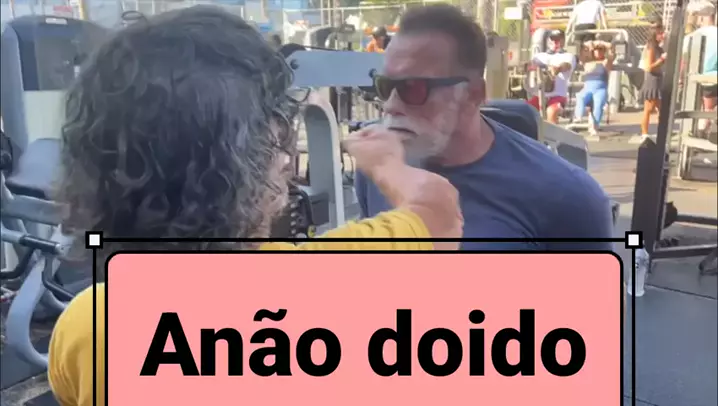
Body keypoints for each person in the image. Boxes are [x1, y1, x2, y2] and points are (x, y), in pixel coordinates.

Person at [47, 7, 463, 406]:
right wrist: (387, 163)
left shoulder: (86, 328)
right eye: (276, 133)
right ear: (252, 158)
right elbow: (438, 214)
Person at [355, 4, 614, 251]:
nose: (390, 106)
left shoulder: (567, 196)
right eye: (384, 86)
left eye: (412, 88)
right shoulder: (376, 169)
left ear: (474, 93)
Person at [528, 29, 577, 124]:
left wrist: (558, 68)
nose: (555, 42)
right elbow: (530, 65)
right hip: (540, 95)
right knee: (526, 109)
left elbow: (567, 65)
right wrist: (530, 66)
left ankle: (553, 132)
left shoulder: (568, 56)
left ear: (563, 41)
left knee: (551, 111)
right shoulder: (540, 56)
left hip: (558, 96)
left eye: (558, 39)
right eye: (553, 39)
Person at [574, 40, 616, 135]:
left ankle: (595, 125)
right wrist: (590, 44)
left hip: (600, 89)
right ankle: (578, 117)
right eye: (597, 49)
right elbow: (581, 51)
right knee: (580, 96)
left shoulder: (606, 62)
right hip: (588, 88)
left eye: (601, 50)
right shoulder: (586, 62)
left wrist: (603, 44)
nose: (599, 51)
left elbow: (611, 51)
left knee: (598, 102)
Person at [638, 21, 667, 140]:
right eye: (660, 33)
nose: (663, 35)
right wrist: (661, 59)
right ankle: (644, 133)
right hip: (652, 80)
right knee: (649, 108)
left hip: (658, 79)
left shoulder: (659, 47)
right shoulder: (651, 47)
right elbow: (649, 67)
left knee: (661, 108)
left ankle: (662, 131)